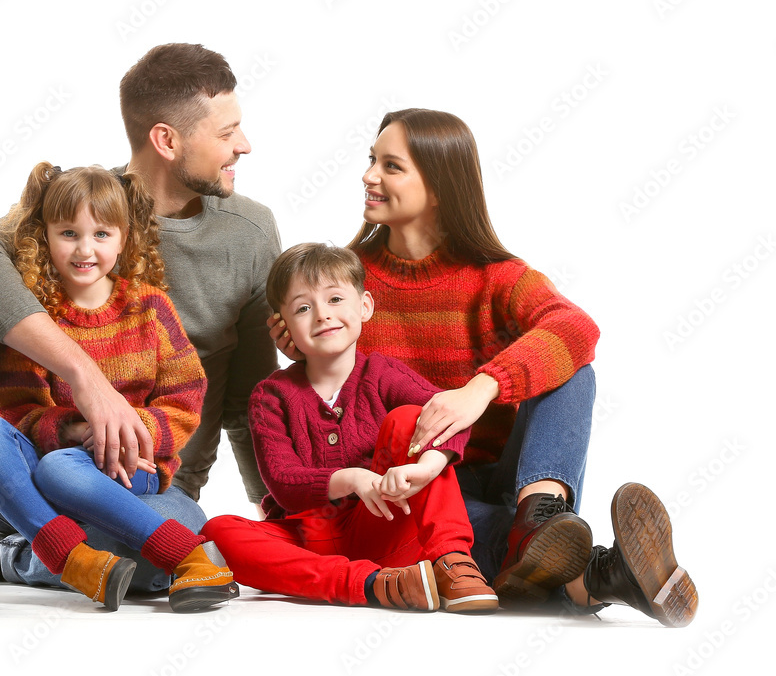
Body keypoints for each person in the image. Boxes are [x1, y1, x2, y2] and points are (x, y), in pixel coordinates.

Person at [0, 43, 280, 615]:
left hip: (145, 483)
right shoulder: (80, 205)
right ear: (167, 140)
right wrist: (84, 379)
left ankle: (2, 556)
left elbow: (249, 397)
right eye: (228, 131)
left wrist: (281, 516)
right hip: (31, 467)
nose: (245, 145)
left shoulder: (250, 231)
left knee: (160, 557)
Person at [268, 109, 697, 627]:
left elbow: (576, 328)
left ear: (440, 188)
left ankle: (539, 515)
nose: (368, 176)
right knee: (476, 542)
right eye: (370, 161)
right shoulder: (345, 286)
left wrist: (482, 388)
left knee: (571, 369)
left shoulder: (495, 276)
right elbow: (328, 397)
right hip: (422, 485)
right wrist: (311, 350)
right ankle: (604, 576)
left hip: (508, 475)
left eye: (391, 166)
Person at [0, 161, 238, 613]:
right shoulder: (37, 321)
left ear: (124, 238)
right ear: (44, 236)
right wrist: (72, 430)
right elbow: (19, 412)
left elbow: (186, 397)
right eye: (68, 233)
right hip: (53, 463)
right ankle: (75, 557)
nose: (84, 249)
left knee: (64, 474)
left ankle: (12, 554)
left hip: (134, 467)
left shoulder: (149, 307)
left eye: (101, 235)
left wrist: (131, 430)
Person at [203, 243, 499, 614]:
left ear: (365, 306)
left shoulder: (382, 373)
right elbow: (283, 482)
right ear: (283, 325)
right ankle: (376, 585)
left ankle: (453, 563)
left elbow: (451, 414)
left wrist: (426, 467)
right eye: (303, 308)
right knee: (217, 532)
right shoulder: (271, 396)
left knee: (412, 416)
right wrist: (351, 478)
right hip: (306, 539)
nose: (322, 316)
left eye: (335, 299)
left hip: (384, 523)